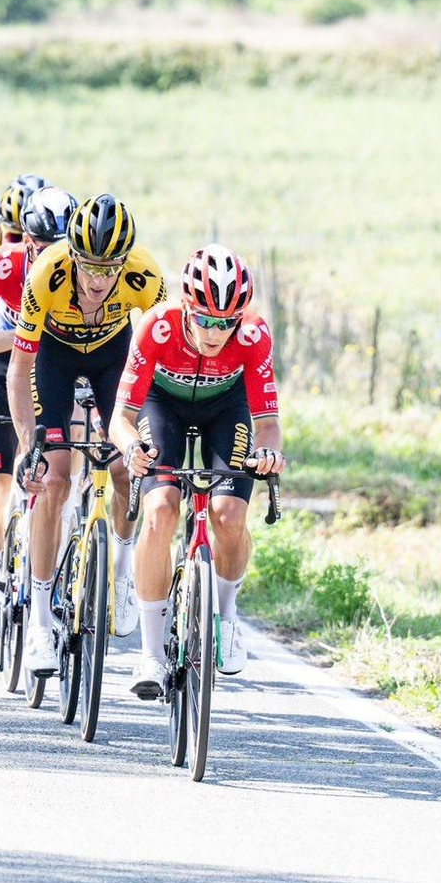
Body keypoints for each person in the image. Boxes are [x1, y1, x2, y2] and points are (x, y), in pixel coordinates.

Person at [3, 193, 165, 678]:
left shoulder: (145, 275)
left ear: (124, 262)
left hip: (114, 355)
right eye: (89, 267)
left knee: (126, 467)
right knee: (53, 479)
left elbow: (165, 350)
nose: (98, 280)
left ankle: (122, 572)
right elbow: (19, 368)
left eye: (109, 268)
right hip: (53, 357)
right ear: (72, 255)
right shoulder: (45, 275)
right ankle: (39, 621)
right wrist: (27, 444)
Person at [114, 244, 286, 697]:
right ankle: (150, 654)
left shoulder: (253, 336)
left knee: (228, 515)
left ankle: (226, 616)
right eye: (206, 320)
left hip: (226, 410)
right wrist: (131, 448)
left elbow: (268, 425)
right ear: (187, 307)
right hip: (162, 406)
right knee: (160, 509)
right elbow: (120, 419)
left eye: (227, 323)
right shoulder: (157, 327)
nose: (215, 333)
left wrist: (270, 455)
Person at [0, 182, 74, 665]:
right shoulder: (2, 266)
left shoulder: (82, 272)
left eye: (64, 247)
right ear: (27, 241)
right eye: (45, 247)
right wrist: (22, 335)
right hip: (2, 363)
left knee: (60, 482)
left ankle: (54, 583)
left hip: (53, 368)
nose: (56, 257)